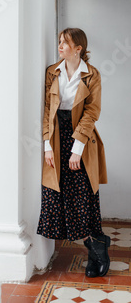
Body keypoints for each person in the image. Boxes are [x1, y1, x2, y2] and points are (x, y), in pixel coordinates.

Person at [37, 27, 110, 278]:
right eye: (59, 41)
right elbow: (48, 110)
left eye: (65, 43)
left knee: (82, 194)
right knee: (58, 193)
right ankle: (97, 244)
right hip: (56, 137)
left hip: (81, 137)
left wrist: (76, 149)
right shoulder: (52, 72)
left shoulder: (92, 75)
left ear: (78, 48)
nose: (60, 46)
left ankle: (96, 250)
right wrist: (47, 145)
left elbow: (92, 113)